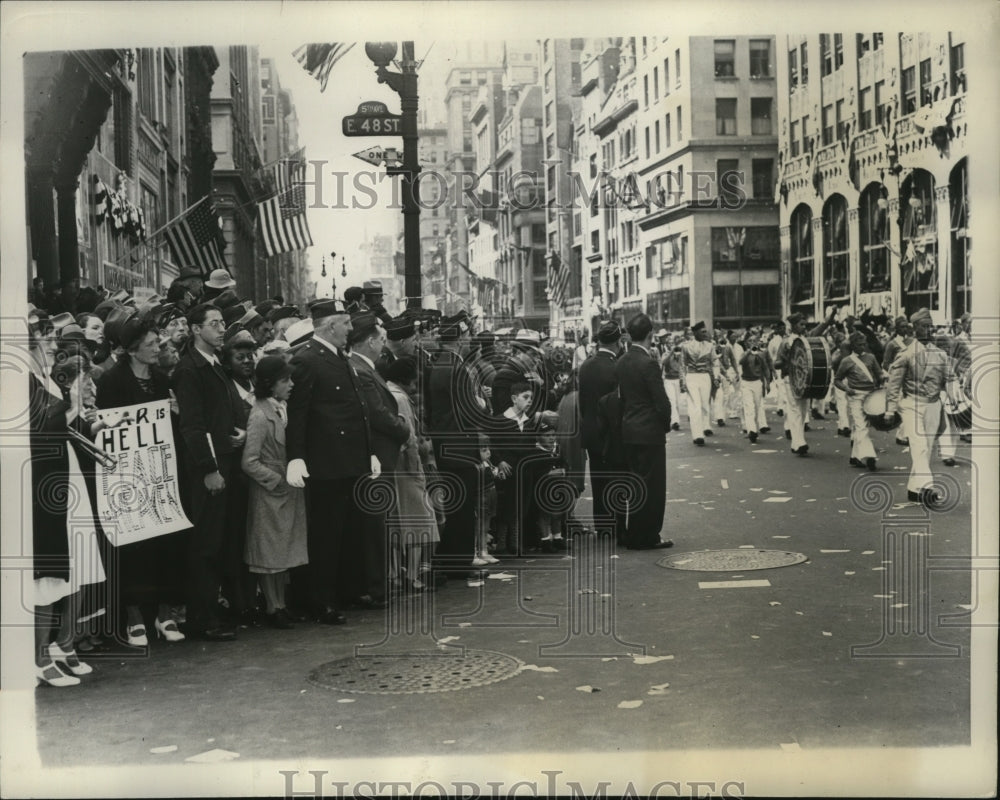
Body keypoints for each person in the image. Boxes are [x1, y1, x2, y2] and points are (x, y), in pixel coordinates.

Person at [95, 317, 187, 644]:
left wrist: (177, 413)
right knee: (135, 546)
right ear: (133, 350)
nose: (157, 349)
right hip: (127, 478)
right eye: (150, 345)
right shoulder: (112, 381)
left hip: (160, 474)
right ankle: (134, 616)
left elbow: (173, 432)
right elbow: (104, 430)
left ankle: (164, 614)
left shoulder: (163, 381)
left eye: (158, 344)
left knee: (167, 541)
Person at [29, 310, 106, 686]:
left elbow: (64, 423)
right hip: (40, 478)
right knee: (46, 570)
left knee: (76, 559)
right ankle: (39, 655)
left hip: (63, 470)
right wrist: (71, 403)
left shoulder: (44, 374)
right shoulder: (21, 377)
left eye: (47, 332)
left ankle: (62, 644)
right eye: (40, 333)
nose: (46, 338)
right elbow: (40, 426)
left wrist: (88, 419)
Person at [285, 299, 373, 625]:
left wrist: (368, 452)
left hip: (348, 460)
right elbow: (299, 414)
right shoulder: (307, 359)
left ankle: (345, 591)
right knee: (326, 535)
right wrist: (295, 457)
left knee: (348, 531)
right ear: (329, 325)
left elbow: (355, 408)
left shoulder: (338, 356)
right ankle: (321, 600)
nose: (351, 329)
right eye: (346, 323)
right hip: (325, 463)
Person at [171, 303, 246, 641]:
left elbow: (225, 411)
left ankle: (216, 609)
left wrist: (241, 432)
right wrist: (209, 469)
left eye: (222, 323)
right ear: (195, 329)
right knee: (205, 544)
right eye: (213, 324)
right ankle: (203, 617)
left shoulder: (216, 364)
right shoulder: (190, 369)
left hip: (227, 460)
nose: (220, 329)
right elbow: (193, 426)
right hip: (209, 469)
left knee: (221, 541)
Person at [348, 312, 410, 608]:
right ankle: (374, 587)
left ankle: (375, 583)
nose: (384, 345)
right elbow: (378, 414)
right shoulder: (360, 370)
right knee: (374, 526)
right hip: (375, 459)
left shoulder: (363, 368)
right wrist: (403, 427)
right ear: (371, 341)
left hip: (380, 458)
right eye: (382, 340)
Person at [241, 356, 308, 629]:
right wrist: (276, 479)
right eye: (285, 380)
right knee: (269, 556)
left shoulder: (281, 409)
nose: (291, 384)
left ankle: (280, 604)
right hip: (270, 493)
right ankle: (272, 605)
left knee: (282, 553)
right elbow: (249, 461)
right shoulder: (259, 415)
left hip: (285, 491)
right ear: (271, 384)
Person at [885, 308, 957, 506]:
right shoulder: (906, 353)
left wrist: (954, 399)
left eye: (930, 326)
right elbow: (894, 383)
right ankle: (927, 487)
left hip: (933, 404)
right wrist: (890, 409)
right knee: (919, 446)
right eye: (924, 326)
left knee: (927, 448)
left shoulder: (940, 354)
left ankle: (913, 488)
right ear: (914, 328)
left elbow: (950, 378)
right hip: (911, 404)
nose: (928, 330)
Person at [616, 313, 674, 550]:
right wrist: (664, 424)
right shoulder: (648, 363)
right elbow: (661, 401)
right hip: (649, 431)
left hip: (629, 429)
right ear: (650, 334)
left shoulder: (621, 361)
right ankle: (648, 535)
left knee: (636, 484)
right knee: (653, 487)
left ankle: (634, 531)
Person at [384, 357, 441, 591]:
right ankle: (413, 576)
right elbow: (409, 436)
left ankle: (396, 574)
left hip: (393, 466)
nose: (416, 387)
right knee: (419, 523)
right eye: (414, 382)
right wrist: (417, 468)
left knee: (396, 524)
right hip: (407, 467)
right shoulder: (401, 399)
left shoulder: (386, 392)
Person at [578, 321, 622, 533]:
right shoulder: (616, 367)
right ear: (617, 342)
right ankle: (616, 526)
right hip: (612, 433)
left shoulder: (586, 365)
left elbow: (583, 402)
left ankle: (603, 526)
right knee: (616, 480)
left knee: (598, 481)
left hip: (591, 432)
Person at [774, 311, 832, 456]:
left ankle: (796, 443)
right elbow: (776, 363)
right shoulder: (786, 342)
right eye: (801, 325)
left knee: (802, 411)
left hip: (804, 380)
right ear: (793, 326)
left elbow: (819, 329)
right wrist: (789, 361)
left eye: (805, 325)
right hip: (790, 379)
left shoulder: (806, 339)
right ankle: (800, 443)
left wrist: (828, 318)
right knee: (794, 410)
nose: (804, 327)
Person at [834, 331, 884, 471]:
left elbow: (879, 373)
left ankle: (855, 456)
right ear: (852, 345)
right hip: (855, 396)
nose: (863, 346)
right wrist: (846, 389)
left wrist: (882, 380)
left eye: (864, 344)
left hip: (870, 396)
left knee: (860, 427)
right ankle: (869, 457)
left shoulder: (871, 358)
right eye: (859, 344)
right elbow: (837, 380)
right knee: (861, 426)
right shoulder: (846, 361)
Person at [521, 421, 568, 553]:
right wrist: (550, 473)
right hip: (543, 489)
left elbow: (564, 463)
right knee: (544, 515)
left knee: (558, 513)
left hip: (557, 487)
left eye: (553, 435)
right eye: (547, 436)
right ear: (539, 437)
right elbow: (536, 472)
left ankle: (558, 537)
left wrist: (564, 469)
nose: (551, 438)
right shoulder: (535, 452)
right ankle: (545, 540)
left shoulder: (557, 449)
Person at [678, 321, 720, 446]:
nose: (705, 333)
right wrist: (683, 381)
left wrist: (716, 377)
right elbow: (682, 365)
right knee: (694, 406)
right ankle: (697, 435)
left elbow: (715, 362)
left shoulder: (710, 346)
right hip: (692, 377)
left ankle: (704, 427)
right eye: (702, 332)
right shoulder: (686, 346)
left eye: (705, 331)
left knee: (704, 406)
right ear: (695, 332)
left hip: (705, 377)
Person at [738, 333, 773, 444]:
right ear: (747, 343)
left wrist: (768, 383)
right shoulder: (745, 354)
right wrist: (749, 351)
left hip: (757, 382)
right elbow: (740, 362)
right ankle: (752, 431)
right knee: (749, 407)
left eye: (755, 341)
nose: (753, 343)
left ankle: (754, 427)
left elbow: (766, 368)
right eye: (750, 341)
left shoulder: (761, 355)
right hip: (746, 383)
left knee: (757, 407)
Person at [660, 341, 683, 432]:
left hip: (677, 379)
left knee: (678, 402)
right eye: (668, 343)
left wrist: (678, 356)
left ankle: (676, 420)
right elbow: (663, 362)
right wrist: (671, 354)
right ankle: (675, 422)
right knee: (672, 401)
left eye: (671, 343)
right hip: (669, 380)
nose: (671, 345)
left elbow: (682, 366)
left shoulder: (680, 354)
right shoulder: (665, 354)